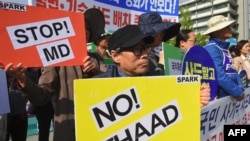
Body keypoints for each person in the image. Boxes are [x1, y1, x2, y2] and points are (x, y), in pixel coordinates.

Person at [3, 8, 103, 141]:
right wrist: (23, 79)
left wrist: (96, 71)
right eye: (78, 26)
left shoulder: (97, 58)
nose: (83, 31)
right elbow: (41, 96)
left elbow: (113, 86)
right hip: (69, 131)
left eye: (87, 29)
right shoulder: (57, 59)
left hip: (99, 126)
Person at [202, 15, 244, 100]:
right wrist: (237, 92)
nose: (230, 29)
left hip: (230, 97)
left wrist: (240, 89)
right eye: (227, 27)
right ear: (217, 31)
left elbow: (233, 71)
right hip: (221, 99)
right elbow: (219, 75)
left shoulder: (223, 48)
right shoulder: (211, 48)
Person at [175, 29, 210, 107]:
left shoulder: (196, 59)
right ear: (182, 43)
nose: (196, 44)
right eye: (193, 41)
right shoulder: (170, 59)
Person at [26, 67, 54, 141]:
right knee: (43, 132)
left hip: (56, 102)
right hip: (42, 106)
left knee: (61, 130)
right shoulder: (30, 70)